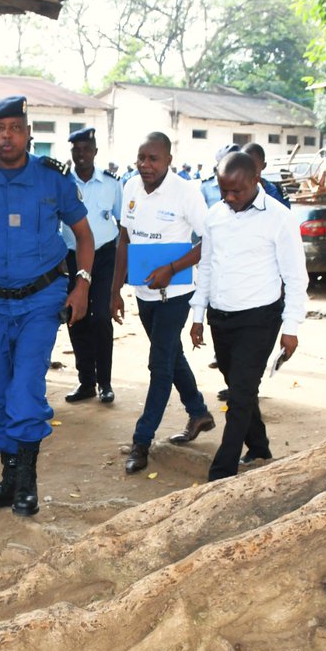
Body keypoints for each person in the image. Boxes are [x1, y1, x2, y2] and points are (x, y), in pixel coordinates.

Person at [0, 96, 94, 517]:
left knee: (25, 389)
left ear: (28, 134)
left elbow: (84, 236)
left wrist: (81, 285)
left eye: (14, 128)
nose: (6, 136)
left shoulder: (53, 179)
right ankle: (9, 477)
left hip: (42, 298)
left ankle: (27, 482)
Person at [190, 152, 308, 481]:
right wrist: (199, 314)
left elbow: (296, 277)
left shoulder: (279, 219)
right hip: (220, 316)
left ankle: (221, 472)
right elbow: (208, 266)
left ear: (256, 181)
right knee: (237, 383)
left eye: (236, 191)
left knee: (240, 394)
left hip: (260, 318)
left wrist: (291, 326)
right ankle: (259, 445)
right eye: (223, 190)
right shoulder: (215, 216)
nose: (229, 197)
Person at [111, 132, 214, 475]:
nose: (145, 165)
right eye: (141, 157)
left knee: (159, 365)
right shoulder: (130, 188)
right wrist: (114, 291)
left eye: (153, 158)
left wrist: (172, 268)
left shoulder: (187, 193)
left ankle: (142, 440)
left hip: (176, 296)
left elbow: (208, 241)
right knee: (171, 354)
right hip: (144, 295)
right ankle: (198, 412)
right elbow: (123, 241)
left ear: (169, 159)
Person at [62, 127, 123, 405]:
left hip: (104, 256)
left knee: (100, 319)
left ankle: (105, 383)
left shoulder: (111, 183)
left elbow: (123, 224)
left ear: (95, 152)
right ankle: (85, 381)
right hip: (71, 258)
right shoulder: (62, 182)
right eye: (76, 149)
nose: (81, 154)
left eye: (86, 149)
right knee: (76, 318)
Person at [242, 143, 291, 209]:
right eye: (243, 165)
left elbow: (286, 216)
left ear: (263, 166)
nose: (247, 169)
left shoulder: (276, 193)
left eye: (252, 166)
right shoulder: (230, 192)